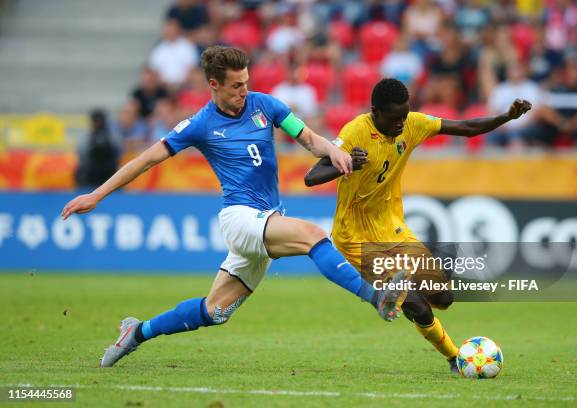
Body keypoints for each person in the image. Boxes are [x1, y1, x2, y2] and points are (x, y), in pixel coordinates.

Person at [61, 46, 405, 368]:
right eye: (236, 85)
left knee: (215, 311)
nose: (244, 90)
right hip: (239, 218)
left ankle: (135, 333)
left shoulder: (266, 106)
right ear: (214, 84)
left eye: (246, 82)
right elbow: (147, 159)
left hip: (268, 217)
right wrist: (98, 194)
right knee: (312, 235)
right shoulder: (200, 124)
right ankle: (376, 296)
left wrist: (334, 151)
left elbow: (309, 139)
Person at [304, 78, 531, 373]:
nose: (401, 123)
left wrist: (506, 116)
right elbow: (311, 177)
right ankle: (454, 357)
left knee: (443, 298)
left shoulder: (412, 123)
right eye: (394, 117)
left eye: (404, 114)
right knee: (417, 305)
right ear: (375, 111)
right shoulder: (355, 132)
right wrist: (344, 162)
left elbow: (464, 128)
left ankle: (405, 295)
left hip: (393, 229)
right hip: (356, 238)